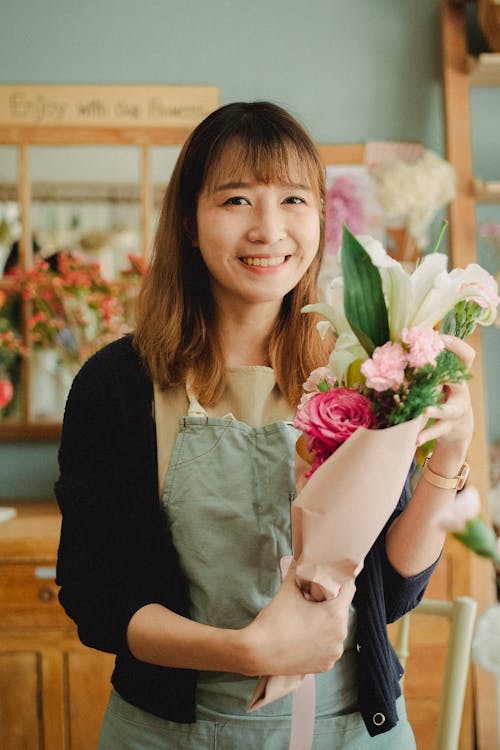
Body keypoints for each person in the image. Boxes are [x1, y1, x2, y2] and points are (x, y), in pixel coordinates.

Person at [55, 101, 474, 749]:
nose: (268, 229)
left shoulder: (362, 368)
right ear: (190, 222)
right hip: (168, 733)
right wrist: (245, 651)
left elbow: (392, 591)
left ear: (320, 219)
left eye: (294, 200)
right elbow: (97, 595)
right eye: (236, 201)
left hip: (351, 732)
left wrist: (449, 452)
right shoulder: (118, 385)